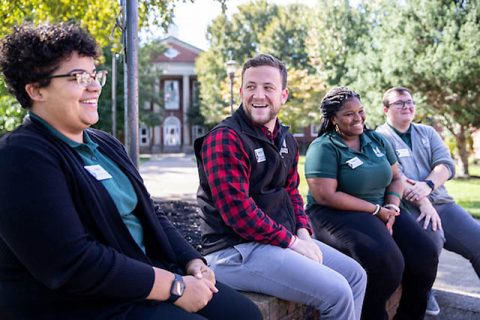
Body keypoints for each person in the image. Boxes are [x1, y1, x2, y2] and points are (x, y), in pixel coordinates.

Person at [0, 22, 262, 320]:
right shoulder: (20, 156)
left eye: (94, 74)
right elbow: (73, 263)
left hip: (141, 279)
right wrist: (174, 287)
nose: (95, 86)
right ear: (36, 90)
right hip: (83, 303)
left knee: (245, 314)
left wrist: (192, 263)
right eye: (77, 77)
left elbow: (149, 212)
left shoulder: (105, 144)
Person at [194, 54, 367, 320]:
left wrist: (304, 231)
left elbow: (292, 192)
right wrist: (293, 242)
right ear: (241, 92)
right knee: (339, 291)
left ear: (283, 95)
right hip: (234, 251)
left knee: (356, 275)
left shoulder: (285, 139)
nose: (258, 95)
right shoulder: (225, 138)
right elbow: (239, 213)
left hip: (275, 243)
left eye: (268, 87)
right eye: (251, 87)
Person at [304, 87, 439, 320]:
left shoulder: (376, 139)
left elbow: (397, 178)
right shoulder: (324, 146)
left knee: (425, 255)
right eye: (348, 114)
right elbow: (326, 195)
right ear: (333, 118)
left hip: (383, 208)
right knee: (386, 263)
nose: (358, 118)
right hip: (334, 213)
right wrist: (377, 211)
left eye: (360, 111)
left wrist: (393, 207)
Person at [377, 86, 480, 316]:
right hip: (408, 207)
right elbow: (395, 177)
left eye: (410, 102)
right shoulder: (379, 138)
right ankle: (425, 287)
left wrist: (428, 186)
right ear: (386, 109)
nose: (407, 106)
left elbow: (445, 164)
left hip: (441, 202)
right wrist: (423, 200)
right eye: (400, 103)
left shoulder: (427, 132)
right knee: (430, 242)